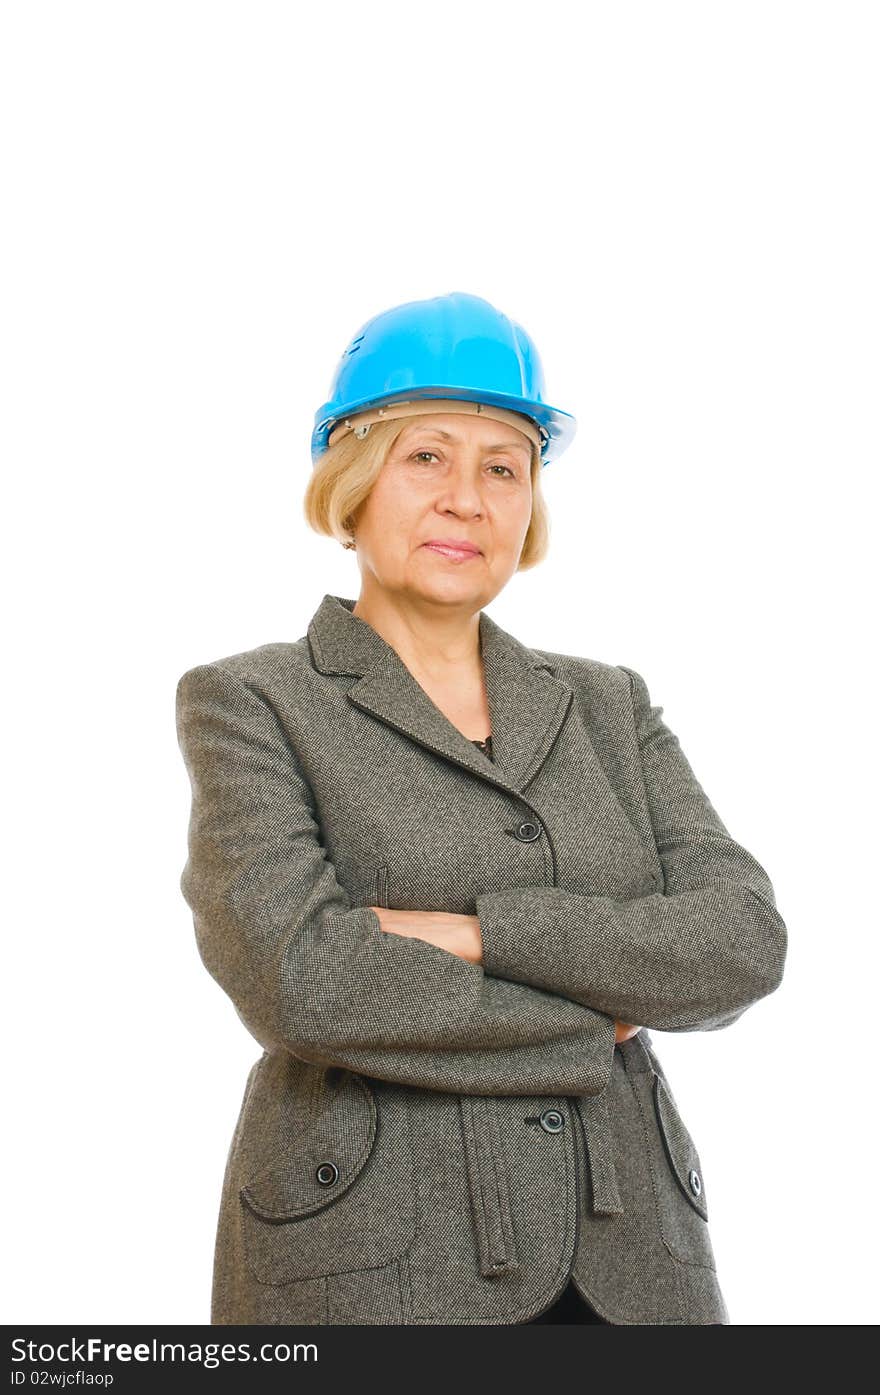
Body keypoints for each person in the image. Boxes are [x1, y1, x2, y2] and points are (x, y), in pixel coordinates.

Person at [175, 290, 787, 1325]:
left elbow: (738, 945)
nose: (467, 498)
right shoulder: (251, 699)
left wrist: (472, 933)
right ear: (354, 482)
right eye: (427, 458)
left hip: (633, 1259)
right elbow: (303, 979)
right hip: (372, 1258)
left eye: (502, 466)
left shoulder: (609, 704)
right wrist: (607, 1009)